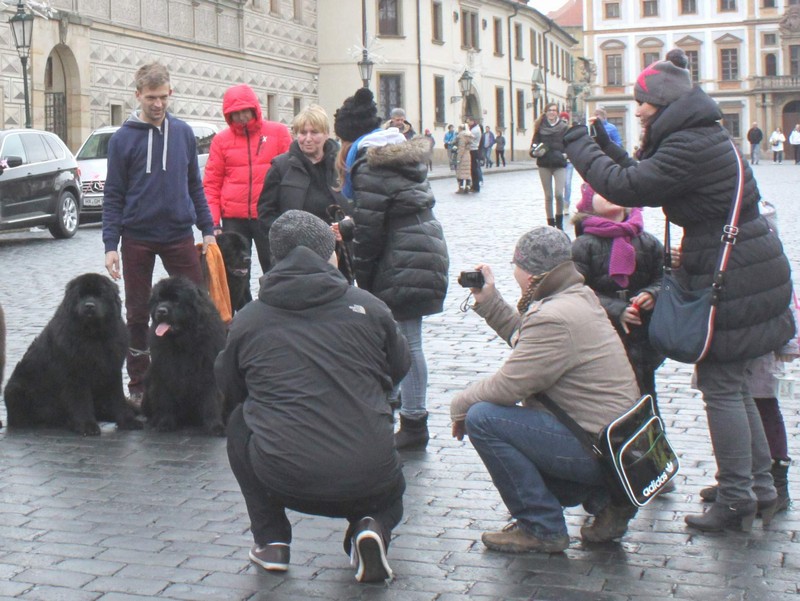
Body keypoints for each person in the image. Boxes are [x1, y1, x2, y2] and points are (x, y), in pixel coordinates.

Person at [564, 48, 795, 533]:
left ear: (664, 105)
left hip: (732, 275)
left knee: (721, 388)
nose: (639, 110)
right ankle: (757, 485)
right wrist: (604, 145)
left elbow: (625, 188)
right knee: (733, 384)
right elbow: (641, 177)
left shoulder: (689, 145)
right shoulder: (698, 135)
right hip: (749, 267)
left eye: (643, 103)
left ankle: (736, 498)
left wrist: (575, 145)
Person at [217, 210, 410, 582]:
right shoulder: (369, 308)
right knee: (387, 475)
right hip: (370, 475)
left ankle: (271, 540)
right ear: (330, 254)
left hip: (284, 476)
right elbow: (399, 367)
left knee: (240, 421)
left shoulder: (250, 319)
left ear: (274, 257)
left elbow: (229, 384)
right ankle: (370, 527)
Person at [451, 227, 641, 552]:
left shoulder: (554, 316)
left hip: (594, 446)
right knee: (498, 417)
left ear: (529, 271)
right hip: (610, 441)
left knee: (483, 417)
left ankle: (541, 527)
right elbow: (530, 344)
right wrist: (491, 302)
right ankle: (606, 499)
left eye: (515, 265)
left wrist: (459, 406)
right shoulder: (576, 296)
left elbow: (509, 385)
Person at [334, 87, 449, 450]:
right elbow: (390, 208)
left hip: (404, 258)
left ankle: (414, 422)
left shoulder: (367, 163)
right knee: (400, 337)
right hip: (420, 247)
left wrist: (362, 283)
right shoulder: (392, 155)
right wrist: (350, 227)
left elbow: (370, 233)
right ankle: (395, 405)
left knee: (408, 341)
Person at [102, 62, 217, 408]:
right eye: (151, 97)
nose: (158, 104)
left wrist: (207, 228)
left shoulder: (182, 133)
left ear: (171, 93)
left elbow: (194, 184)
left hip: (179, 233)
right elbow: (113, 194)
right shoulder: (122, 139)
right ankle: (139, 383)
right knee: (138, 313)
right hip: (137, 236)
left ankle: (204, 375)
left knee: (199, 305)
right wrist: (111, 245)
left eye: (163, 97)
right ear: (137, 95)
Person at [571, 184, 665, 403]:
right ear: (588, 206)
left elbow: (665, 279)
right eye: (600, 192)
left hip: (642, 334)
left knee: (645, 393)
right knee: (610, 396)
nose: (611, 194)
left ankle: (648, 432)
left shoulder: (647, 242)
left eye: (614, 189)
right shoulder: (583, 246)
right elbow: (577, 290)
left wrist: (652, 294)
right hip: (603, 333)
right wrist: (617, 310)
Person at [203, 83, 291, 284]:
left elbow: (288, 176)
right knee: (235, 275)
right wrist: (213, 222)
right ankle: (241, 313)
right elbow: (212, 184)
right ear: (228, 114)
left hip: (267, 214)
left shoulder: (278, 133)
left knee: (276, 268)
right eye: (236, 113)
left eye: (245, 111)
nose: (242, 117)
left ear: (254, 109)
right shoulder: (221, 140)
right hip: (234, 217)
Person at [257, 105, 352, 281]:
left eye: (314, 132)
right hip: (294, 257)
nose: (307, 138)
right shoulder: (281, 167)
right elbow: (265, 214)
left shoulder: (342, 165)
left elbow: (356, 205)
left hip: (337, 256)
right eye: (302, 133)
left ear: (326, 134)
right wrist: (286, 238)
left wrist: (347, 226)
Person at [531, 103, 568, 229]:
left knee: (558, 193)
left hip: (559, 164)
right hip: (544, 164)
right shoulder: (540, 127)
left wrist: (566, 155)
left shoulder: (564, 127)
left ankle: (560, 223)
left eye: (554, 110)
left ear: (557, 112)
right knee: (548, 195)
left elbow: (569, 144)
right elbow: (534, 144)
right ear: (545, 112)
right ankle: (551, 224)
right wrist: (535, 151)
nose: (551, 112)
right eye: (549, 110)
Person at [560, 112, 575, 213]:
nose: (564, 121)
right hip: (559, 161)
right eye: (562, 119)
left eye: (565, 119)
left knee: (567, 184)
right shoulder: (556, 131)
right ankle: (560, 204)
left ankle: (566, 204)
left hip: (569, 161)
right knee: (560, 184)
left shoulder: (571, 132)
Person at [455, 124, 474, 193]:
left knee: (461, 172)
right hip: (468, 155)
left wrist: (458, 158)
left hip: (463, 156)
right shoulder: (468, 135)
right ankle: (468, 186)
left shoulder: (462, 136)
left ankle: (461, 188)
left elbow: (461, 148)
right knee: (467, 172)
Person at [469, 118, 483, 192]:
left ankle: (476, 186)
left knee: (474, 169)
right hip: (473, 149)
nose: (468, 123)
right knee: (473, 169)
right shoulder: (474, 129)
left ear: (473, 121)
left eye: (469, 121)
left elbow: (469, 138)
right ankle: (474, 185)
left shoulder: (475, 130)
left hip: (473, 150)